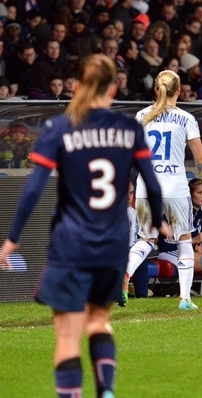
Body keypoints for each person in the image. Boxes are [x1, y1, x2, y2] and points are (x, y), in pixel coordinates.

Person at [0, 53, 168, 398]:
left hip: (71, 244)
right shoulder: (129, 128)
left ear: (78, 83)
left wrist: (12, 239)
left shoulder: (61, 127)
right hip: (112, 244)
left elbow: (34, 187)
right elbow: (151, 184)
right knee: (98, 322)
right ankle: (105, 389)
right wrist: (161, 221)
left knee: (66, 336)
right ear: (114, 86)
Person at [123, 69, 202, 310]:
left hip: (146, 187)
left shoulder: (141, 116)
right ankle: (185, 299)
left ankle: (125, 275)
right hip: (175, 188)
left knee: (146, 238)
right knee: (183, 241)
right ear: (179, 91)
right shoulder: (186, 118)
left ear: (155, 90)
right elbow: (200, 159)